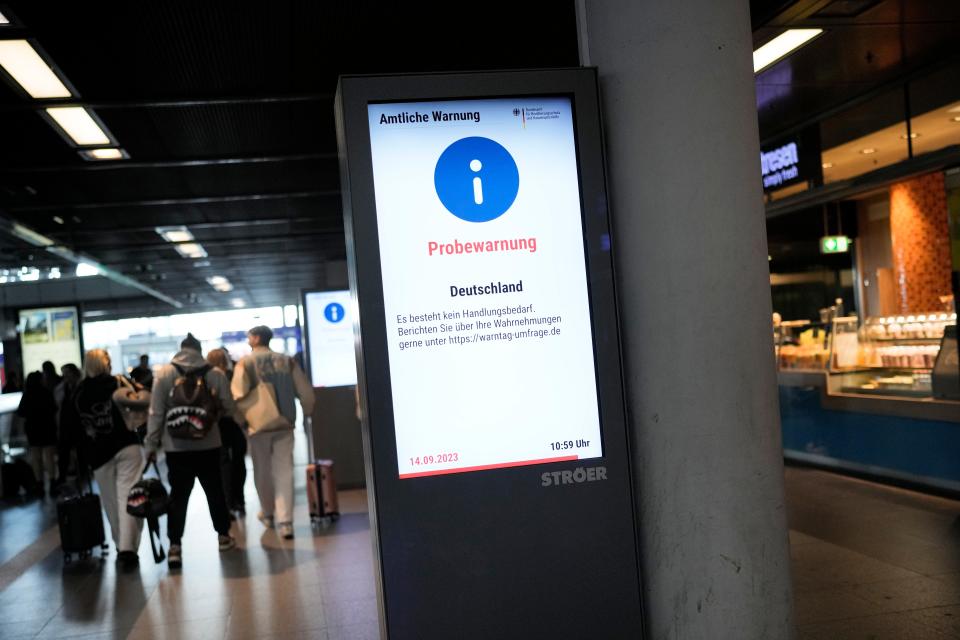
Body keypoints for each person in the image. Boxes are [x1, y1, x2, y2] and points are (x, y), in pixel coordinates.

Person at [145, 333, 237, 569]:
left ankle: (175, 546)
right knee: (215, 491)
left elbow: (156, 412)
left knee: (178, 496)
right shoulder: (214, 374)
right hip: (209, 444)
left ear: (181, 349)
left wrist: (151, 444)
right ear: (199, 350)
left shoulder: (165, 374)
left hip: (176, 447)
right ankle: (223, 537)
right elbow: (229, 406)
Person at [232, 326, 314, 540]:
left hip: (258, 426)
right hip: (285, 423)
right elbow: (305, 392)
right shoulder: (286, 361)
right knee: (284, 470)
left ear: (257, 338)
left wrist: (242, 421)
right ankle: (286, 521)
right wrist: (307, 412)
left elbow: (237, 395)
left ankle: (268, 514)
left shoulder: (245, 363)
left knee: (262, 470)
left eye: (249, 335)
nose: (248, 339)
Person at [74, 349, 144, 568]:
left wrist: (77, 459)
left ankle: (121, 546)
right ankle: (127, 548)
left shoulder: (79, 392)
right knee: (128, 496)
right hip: (126, 445)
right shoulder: (119, 382)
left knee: (111, 502)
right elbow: (139, 405)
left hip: (98, 454)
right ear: (105, 363)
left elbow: (72, 428)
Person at [207, 348, 247, 517]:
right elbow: (233, 402)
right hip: (232, 423)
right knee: (238, 462)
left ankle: (227, 503)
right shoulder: (230, 375)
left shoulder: (207, 377)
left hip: (215, 427)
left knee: (222, 466)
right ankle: (239, 499)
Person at [16, 372, 57, 497]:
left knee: (36, 457)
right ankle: (52, 482)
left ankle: (39, 484)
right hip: (47, 427)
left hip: (33, 429)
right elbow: (54, 408)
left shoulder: (27, 394)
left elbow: (21, 412)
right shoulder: (46, 392)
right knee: (49, 456)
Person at [52, 364, 82, 494]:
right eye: (64, 374)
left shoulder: (80, 386)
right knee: (63, 453)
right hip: (66, 426)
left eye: (67, 373)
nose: (65, 376)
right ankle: (63, 477)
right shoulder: (62, 388)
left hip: (78, 425)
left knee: (80, 452)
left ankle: (81, 473)